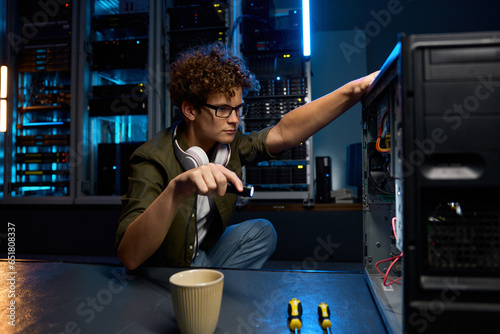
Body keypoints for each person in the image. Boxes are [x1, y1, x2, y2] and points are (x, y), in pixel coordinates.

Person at [116, 42, 378, 270]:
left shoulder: (231, 143)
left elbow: (283, 133)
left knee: (261, 231)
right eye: (222, 109)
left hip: (201, 257)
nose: (233, 120)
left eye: (237, 109)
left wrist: (355, 90)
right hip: (163, 267)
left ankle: (207, 291)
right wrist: (176, 189)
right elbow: (129, 256)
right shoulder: (151, 157)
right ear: (190, 110)